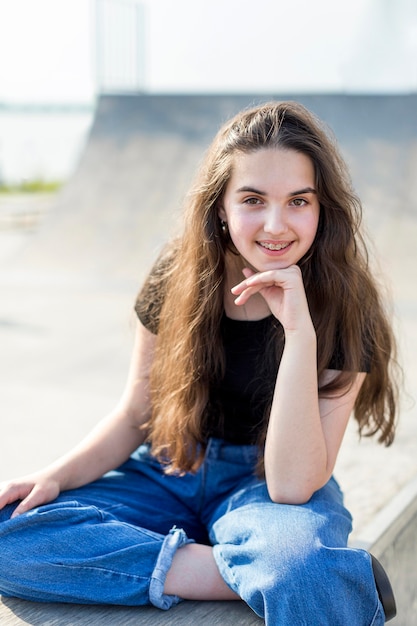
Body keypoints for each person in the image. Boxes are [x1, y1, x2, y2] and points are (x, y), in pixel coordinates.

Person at [0, 101, 399, 624]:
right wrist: (54, 477)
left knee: (296, 565)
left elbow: (292, 486)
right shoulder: (179, 274)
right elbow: (133, 415)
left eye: (298, 201)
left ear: (321, 209)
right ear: (220, 207)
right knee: (10, 531)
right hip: (168, 467)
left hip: (262, 487)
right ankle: (239, 572)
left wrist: (300, 334)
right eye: (253, 199)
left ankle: (281, 570)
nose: (276, 225)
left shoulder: (346, 304)